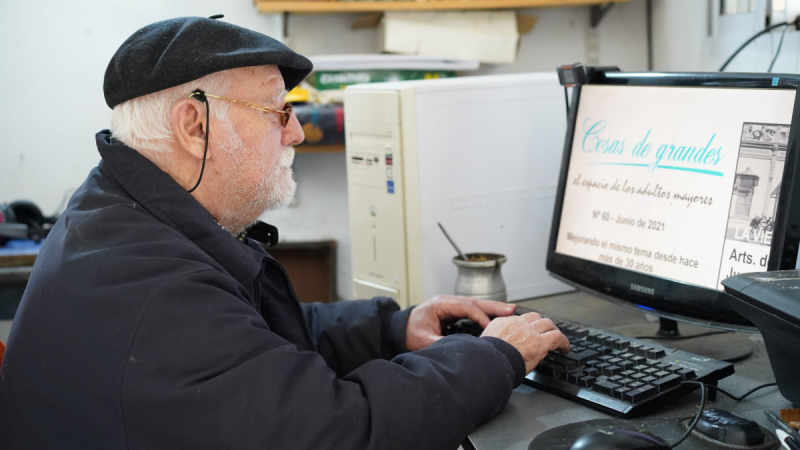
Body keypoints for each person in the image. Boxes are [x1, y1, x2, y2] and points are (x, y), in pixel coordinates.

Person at [0, 16, 569, 450]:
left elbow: (249, 348)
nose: (296, 132)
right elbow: (338, 429)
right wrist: (496, 357)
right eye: (278, 111)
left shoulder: (123, 216)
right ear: (194, 125)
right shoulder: (155, 291)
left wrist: (393, 329)